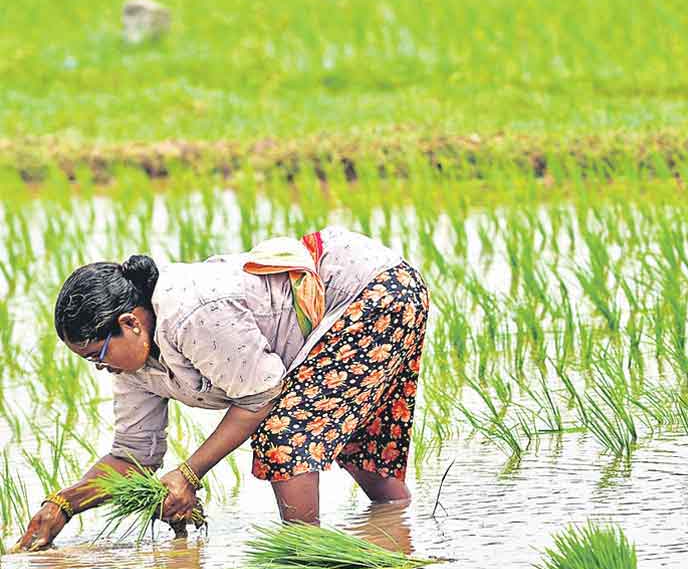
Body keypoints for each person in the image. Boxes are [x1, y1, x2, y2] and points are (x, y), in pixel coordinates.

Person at [16, 226, 430, 551]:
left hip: (375, 290)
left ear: (130, 323)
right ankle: (396, 530)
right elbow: (133, 454)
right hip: (359, 302)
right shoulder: (135, 366)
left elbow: (260, 395)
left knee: (285, 433)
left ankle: (309, 560)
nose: (102, 369)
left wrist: (188, 474)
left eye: (97, 355)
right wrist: (65, 504)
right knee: (357, 444)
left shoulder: (190, 312)